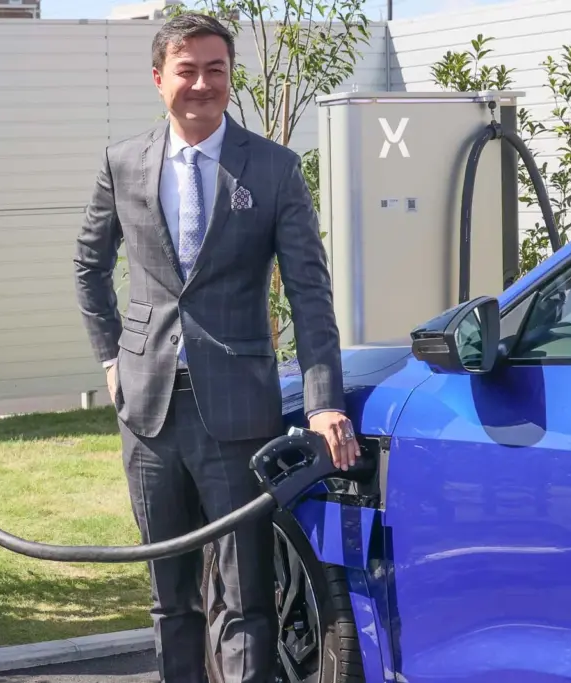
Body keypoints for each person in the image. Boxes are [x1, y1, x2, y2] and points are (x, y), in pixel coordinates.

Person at [73, 12, 360, 682]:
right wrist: (112, 359)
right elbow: (88, 266)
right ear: (158, 78)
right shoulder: (123, 163)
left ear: (231, 77)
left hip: (237, 414)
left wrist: (323, 401)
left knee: (243, 596)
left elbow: (310, 293)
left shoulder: (275, 168)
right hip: (148, 414)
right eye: (187, 70)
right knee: (170, 598)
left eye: (216, 70)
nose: (202, 84)